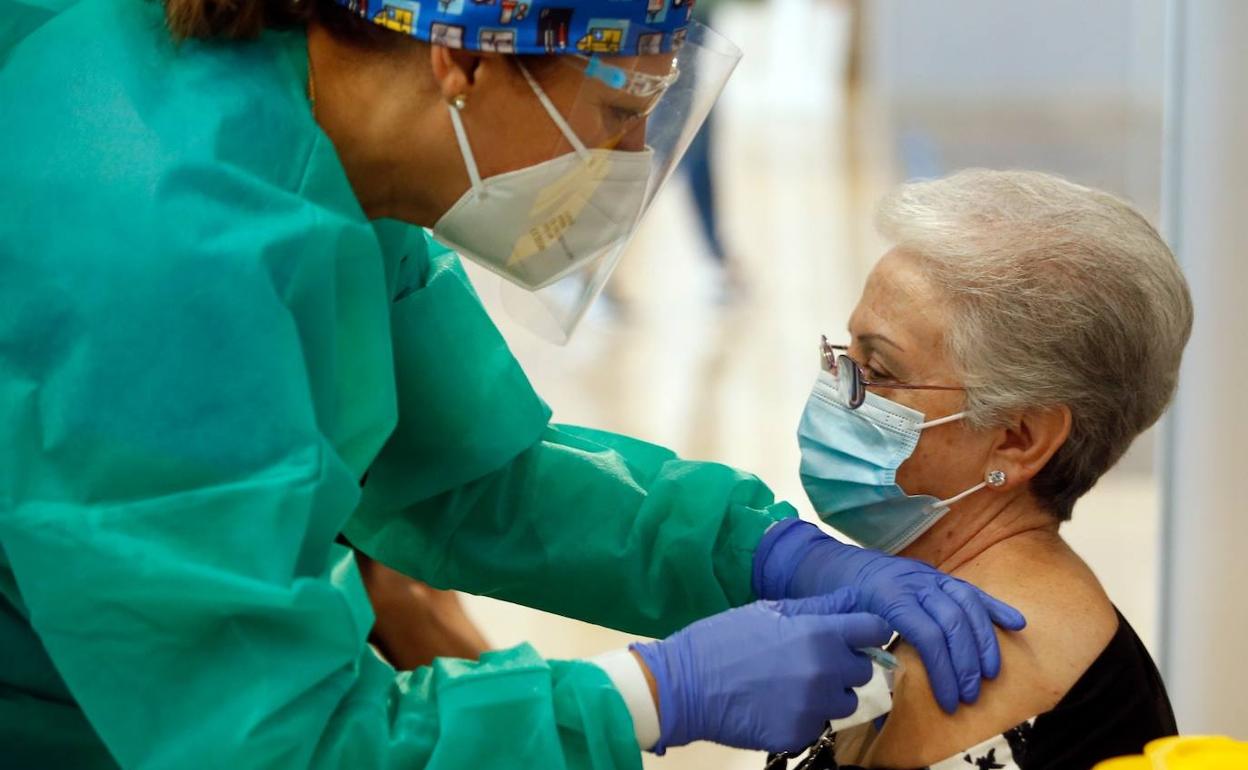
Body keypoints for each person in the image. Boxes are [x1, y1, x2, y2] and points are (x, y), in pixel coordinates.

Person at [0, 3, 1024, 769]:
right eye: (619, 113)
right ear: (461, 55)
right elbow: (277, 741)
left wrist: (760, 551)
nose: (629, 164)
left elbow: (462, 475)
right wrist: (648, 696)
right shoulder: (167, 246)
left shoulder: (320, 137)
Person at [778, 170, 1191, 770]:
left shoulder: (976, 659)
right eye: (846, 356)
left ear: (1019, 439)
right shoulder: (916, 601)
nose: (838, 391)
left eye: (881, 370)